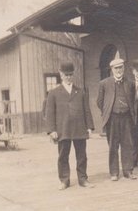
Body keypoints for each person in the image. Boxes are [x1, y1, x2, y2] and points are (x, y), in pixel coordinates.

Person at [45, 62, 95, 190]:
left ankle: (83, 179)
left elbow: (86, 110)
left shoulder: (80, 91)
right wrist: (51, 130)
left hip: (79, 128)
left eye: (70, 74)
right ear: (61, 74)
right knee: (63, 155)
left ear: (73, 75)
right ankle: (64, 180)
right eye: (66, 75)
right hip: (63, 129)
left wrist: (89, 126)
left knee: (82, 155)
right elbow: (49, 113)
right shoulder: (53, 93)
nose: (68, 77)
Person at [97, 58, 137, 181]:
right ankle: (114, 172)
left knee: (127, 144)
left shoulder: (130, 83)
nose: (119, 70)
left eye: (121, 68)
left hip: (126, 118)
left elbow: (133, 99)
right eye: (116, 68)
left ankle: (128, 171)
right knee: (113, 146)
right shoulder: (104, 83)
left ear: (124, 68)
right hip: (112, 119)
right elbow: (99, 102)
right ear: (112, 69)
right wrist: (108, 112)